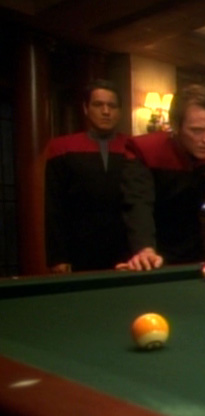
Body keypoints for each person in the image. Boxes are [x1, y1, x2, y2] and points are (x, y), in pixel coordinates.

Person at [120, 84, 205, 270]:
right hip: (145, 242)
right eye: (197, 131)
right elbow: (138, 204)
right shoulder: (145, 150)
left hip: (189, 241)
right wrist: (144, 248)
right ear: (175, 127)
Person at [44, 79, 130, 272]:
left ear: (120, 111)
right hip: (78, 249)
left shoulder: (133, 147)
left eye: (112, 106)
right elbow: (54, 206)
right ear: (85, 108)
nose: (106, 111)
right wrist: (58, 257)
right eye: (98, 105)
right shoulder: (62, 148)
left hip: (125, 249)